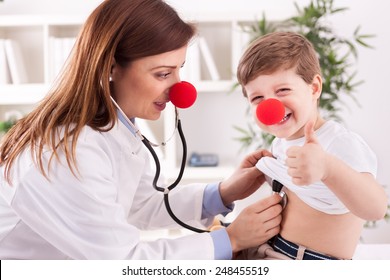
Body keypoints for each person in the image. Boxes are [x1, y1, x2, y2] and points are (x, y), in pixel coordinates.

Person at [0, 0, 283, 260]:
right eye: (162, 73)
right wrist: (230, 240)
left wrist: (221, 194)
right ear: (110, 68)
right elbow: (124, 262)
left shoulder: (113, 128)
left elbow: (139, 205)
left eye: (179, 69)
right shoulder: (64, 153)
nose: (179, 90)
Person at [235, 31, 388, 260]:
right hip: (270, 250)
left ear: (314, 88)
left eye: (282, 90)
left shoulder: (338, 142)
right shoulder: (280, 143)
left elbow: (376, 208)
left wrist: (328, 167)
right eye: (257, 99)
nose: (271, 107)